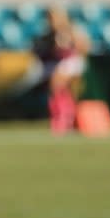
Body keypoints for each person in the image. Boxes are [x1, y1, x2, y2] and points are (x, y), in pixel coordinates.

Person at [33, 7, 90, 135]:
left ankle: (65, 117)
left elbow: (84, 47)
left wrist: (70, 43)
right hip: (55, 64)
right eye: (50, 18)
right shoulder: (49, 33)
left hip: (71, 61)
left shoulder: (71, 29)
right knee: (57, 89)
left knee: (57, 83)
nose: (52, 20)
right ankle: (61, 116)